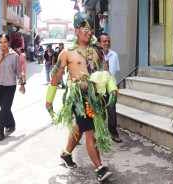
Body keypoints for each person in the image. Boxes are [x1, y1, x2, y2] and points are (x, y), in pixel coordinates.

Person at [45, 11, 117, 182]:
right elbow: (56, 76)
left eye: (91, 29)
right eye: (85, 28)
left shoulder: (96, 52)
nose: (89, 32)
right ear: (76, 30)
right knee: (91, 132)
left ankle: (66, 154)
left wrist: (113, 90)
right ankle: (100, 168)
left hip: (96, 98)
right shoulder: (67, 53)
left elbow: (105, 72)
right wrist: (49, 100)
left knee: (80, 127)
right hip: (79, 99)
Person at [0, 34, 26, 141]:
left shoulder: (14, 56)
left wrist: (22, 85)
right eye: (1, 42)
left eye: (5, 42)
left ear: (9, 43)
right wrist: (0, 58)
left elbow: (19, 72)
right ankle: (11, 124)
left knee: (4, 108)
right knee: (5, 108)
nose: (3, 44)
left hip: (10, 86)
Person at [98, 33, 122, 142]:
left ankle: (113, 133)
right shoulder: (95, 55)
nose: (107, 43)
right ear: (99, 43)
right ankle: (101, 134)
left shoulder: (114, 55)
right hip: (99, 88)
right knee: (100, 111)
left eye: (108, 41)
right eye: (104, 41)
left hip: (111, 87)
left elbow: (114, 72)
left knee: (112, 110)